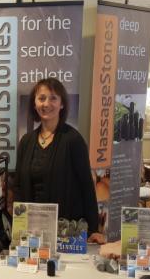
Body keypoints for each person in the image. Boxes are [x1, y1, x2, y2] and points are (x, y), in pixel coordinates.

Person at [13, 77, 104, 243]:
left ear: (62, 104)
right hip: (32, 228)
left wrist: (93, 229)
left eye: (53, 98)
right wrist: (19, 223)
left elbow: (86, 185)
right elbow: (18, 185)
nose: (46, 104)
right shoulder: (26, 141)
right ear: (34, 103)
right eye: (41, 98)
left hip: (65, 230)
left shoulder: (73, 140)